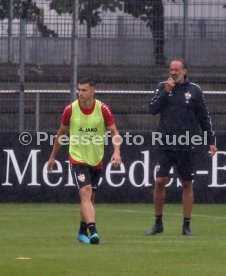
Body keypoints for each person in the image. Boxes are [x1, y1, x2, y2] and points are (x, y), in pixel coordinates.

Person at [146, 58, 217, 236]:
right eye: (171, 69)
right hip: (165, 143)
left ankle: (186, 226)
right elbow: (152, 109)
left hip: (187, 143)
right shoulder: (163, 86)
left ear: (184, 71)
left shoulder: (194, 90)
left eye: (176, 69)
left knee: (186, 183)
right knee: (160, 180)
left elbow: (204, 117)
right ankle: (158, 223)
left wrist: (211, 140)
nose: (173, 73)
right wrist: (166, 92)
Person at [47, 78, 121, 244]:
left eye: (84, 90)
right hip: (77, 157)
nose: (80, 93)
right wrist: (52, 156)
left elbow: (114, 132)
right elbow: (61, 134)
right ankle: (93, 231)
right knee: (85, 191)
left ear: (93, 91)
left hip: (96, 158)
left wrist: (117, 152)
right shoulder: (70, 110)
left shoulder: (103, 109)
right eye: (79, 90)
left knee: (90, 198)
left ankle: (82, 232)